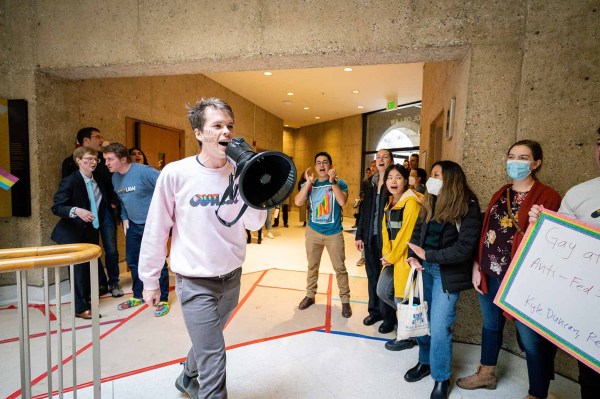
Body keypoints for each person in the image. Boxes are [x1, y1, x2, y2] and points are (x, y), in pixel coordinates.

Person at [139, 98, 266, 398]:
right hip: (194, 283)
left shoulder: (239, 172)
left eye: (230, 126)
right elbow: (157, 228)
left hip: (231, 278)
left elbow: (255, 224)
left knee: (209, 340)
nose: (226, 133)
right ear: (199, 133)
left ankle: (186, 376)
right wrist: (149, 279)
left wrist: (255, 187)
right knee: (214, 356)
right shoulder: (176, 174)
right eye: (217, 126)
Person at [456, 140, 561, 398]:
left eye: (523, 158)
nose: (515, 162)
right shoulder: (501, 191)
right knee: (491, 324)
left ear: (536, 163)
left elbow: (552, 242)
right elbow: (486, 231)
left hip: (522, 280)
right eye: (512, 156)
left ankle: (537, 393)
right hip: (490, 273)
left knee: (531, 339)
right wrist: (477, 265)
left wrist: (539, 222)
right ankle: (486, 373)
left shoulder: (548, 196)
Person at [528, 128, 600, 399]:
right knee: (591, 381)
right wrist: (540, 226)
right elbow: (557, 248)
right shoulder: (580, 194)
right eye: (599, 143)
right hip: (589, 314)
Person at [404, 160, 482, 399]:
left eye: (437, 174)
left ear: (451, 179)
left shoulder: (468, 206)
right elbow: (418, 232)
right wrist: (412, 256)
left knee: (439, 327)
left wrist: (428, 255)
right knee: (421, 318)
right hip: (423, 268)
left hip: (446, 273)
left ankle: (441, 377)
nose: (432, 179)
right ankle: (425, 361)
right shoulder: (430, 200)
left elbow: (464, 249)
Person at [103, 143, 171, 317]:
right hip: (133, 225)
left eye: (110, 159)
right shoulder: (115, 178)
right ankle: (138, 295)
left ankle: (163, 298)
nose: (106, 163)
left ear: (123, 159)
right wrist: (125, 217)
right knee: (133, 261)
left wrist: (166, 216)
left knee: (157, 262)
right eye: (105, 160)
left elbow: (169, 188)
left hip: (152, 225)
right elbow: (123, 200)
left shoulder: (145, 172)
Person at [51, 147, 113, 319]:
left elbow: (103, 200)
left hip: (91, 230)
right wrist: (76, 210)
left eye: (95, 159)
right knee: (78, 270)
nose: (93, 162)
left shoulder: (98, 179)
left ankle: (86, 299)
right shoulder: (70, 181)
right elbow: (57, 207)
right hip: (72, 232)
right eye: (89, 159)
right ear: (78, 160)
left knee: (87, 268)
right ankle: (80, 308)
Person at [61, 127, 123, 298]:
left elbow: (112, 184)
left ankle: (113, 282)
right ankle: (98, 284)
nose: (101, 140)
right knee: (92, 251)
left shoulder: (103, 162)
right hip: (85, 216)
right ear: (85, 141)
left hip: (104, 212)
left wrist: (114, 202)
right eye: (97, 137)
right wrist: (77, 211)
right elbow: (67, 194)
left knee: (111, 249)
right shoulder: (69, 163)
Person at [295, 152, 352, 318]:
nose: (322, 165)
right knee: (312, 266)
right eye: (318, 162)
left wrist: (333, 182)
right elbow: (298, 202)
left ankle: (345, 300)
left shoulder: (340, 182)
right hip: (313, 231)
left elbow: (342, 201)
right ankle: (310, 295)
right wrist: (307, 183)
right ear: (315, 167)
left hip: (334, 233)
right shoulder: (310, 185)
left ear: (331, 166)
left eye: (325, 162)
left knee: (340, 268)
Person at [377, 164, 422, 350]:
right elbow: (385, 231)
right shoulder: (391, 202)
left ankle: (406, 336)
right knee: (383, 290)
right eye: (389, 177)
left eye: (398, 177)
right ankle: (407, 323)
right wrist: (386, 254)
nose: (393, 181)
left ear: (406, 181)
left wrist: (393, 256)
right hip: (392, 257)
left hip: (405, 258)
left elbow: (407, 234)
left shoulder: (411, 202)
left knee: (400, 297)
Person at [355, 149, 399, 335]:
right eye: (378, 157)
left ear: (391, 160)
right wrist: (359, 235)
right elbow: (365, 211)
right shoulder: (370, 183)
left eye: (385, 157)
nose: (381, 160)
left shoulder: (394, 185)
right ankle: (374, 311)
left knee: (386, 281)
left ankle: (389, 317)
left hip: (387, 241)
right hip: (370, 237)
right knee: (372, 275)